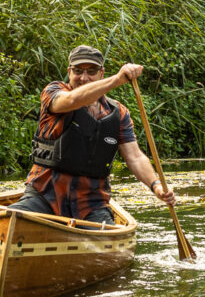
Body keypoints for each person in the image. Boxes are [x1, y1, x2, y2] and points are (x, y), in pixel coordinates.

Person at [12, 45, 176, 225]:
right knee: (10, 221)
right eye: (77, 71)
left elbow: (135, 156)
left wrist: (157, 186)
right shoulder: (53, 92)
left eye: (91, 71)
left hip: (91, 203)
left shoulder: (118, 113)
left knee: (108, 242)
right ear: (69, 71)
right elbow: (73, 100)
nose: (84, 77)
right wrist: (117, 80)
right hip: (45, 194)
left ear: (101, 73)